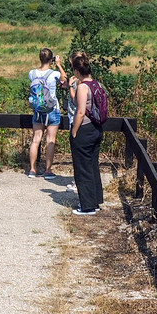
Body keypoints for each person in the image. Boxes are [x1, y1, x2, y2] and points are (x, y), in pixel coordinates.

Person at [67, 51, 104, 215]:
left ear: (77, 71)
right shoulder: (97, 84)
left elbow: (81, 112)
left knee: (82, 168)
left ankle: (87, 206)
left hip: (84, 129)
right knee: (93, 165)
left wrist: (74, 131)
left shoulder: (82, 87)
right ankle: (95, 200)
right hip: (97, 129)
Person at [26, 48, 66, 179]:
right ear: (51, 59)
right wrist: (59, 64)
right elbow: (64, 80)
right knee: (50, 140)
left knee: (36, 139)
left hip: (37, 110)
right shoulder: (54, 74)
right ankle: (48, 170)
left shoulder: (32, 73)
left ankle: (32, 169)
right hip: (52, 109)